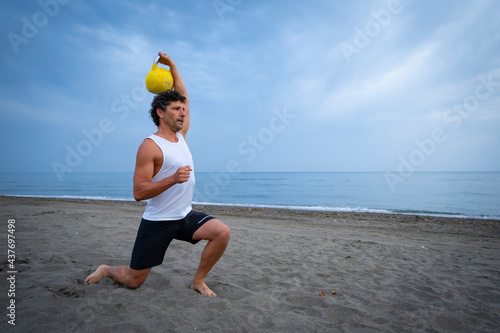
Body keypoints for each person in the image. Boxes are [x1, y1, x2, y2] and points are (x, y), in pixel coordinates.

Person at [84, 52, 230, 297]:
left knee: (221, 233)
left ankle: (198, 281)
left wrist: (172, 65)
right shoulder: (150, 146)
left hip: (183, 217)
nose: (183, 112)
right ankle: (107, 269)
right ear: (161, 113)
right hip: (158, 221)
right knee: (133, 280)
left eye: (183, 109)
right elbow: (139, 192)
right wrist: (172, 179)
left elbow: (185, 97)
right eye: (176, 109)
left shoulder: (181, 137)